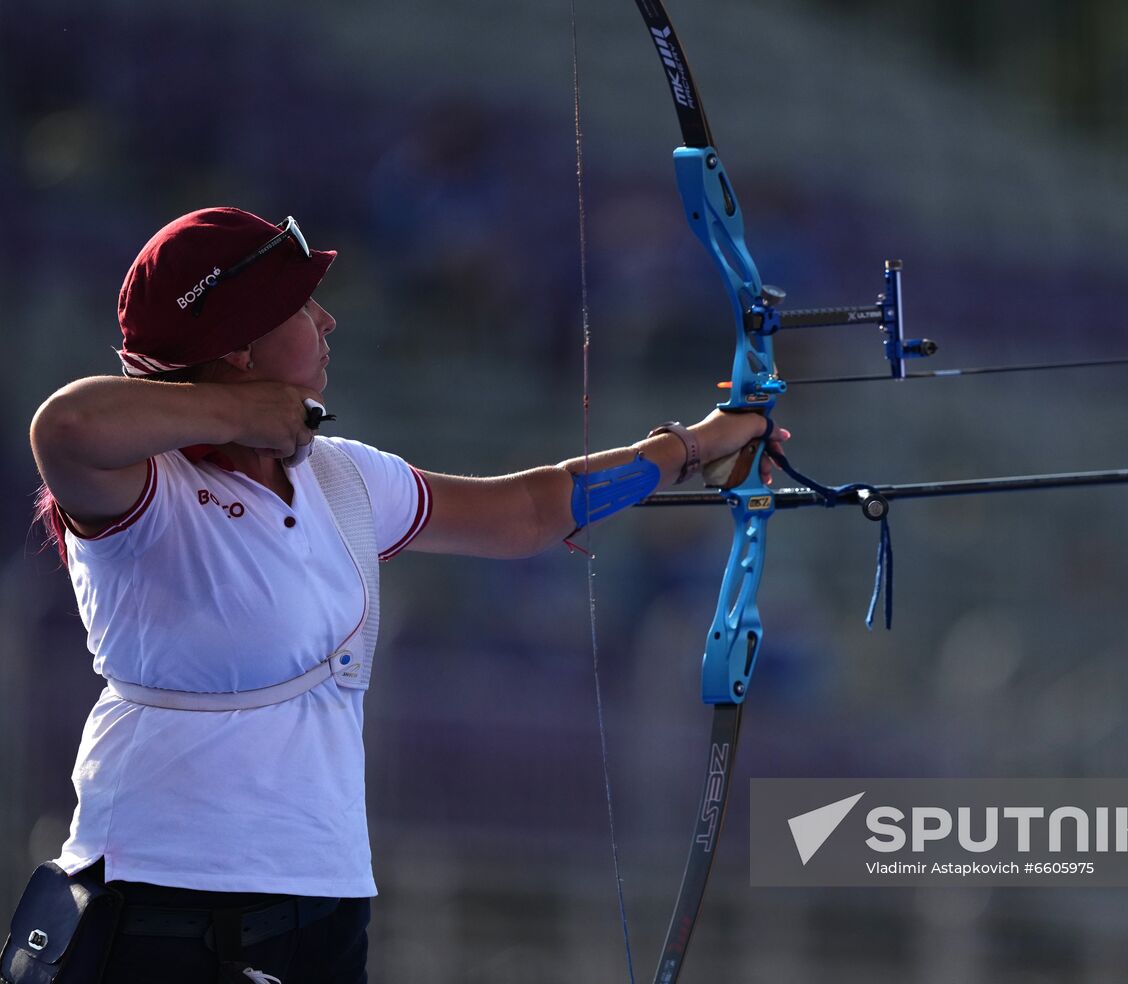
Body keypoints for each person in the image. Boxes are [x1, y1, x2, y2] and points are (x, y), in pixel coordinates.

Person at [15, 207, 784, 984]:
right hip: (164, 902)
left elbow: (526, 512)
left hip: (324, 899)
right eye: (298, 306)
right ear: (238, 346)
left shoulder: (341, 476)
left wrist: (693, 444)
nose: (327, 318)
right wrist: (243, 412)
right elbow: (66, 426)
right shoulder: (147, 493)